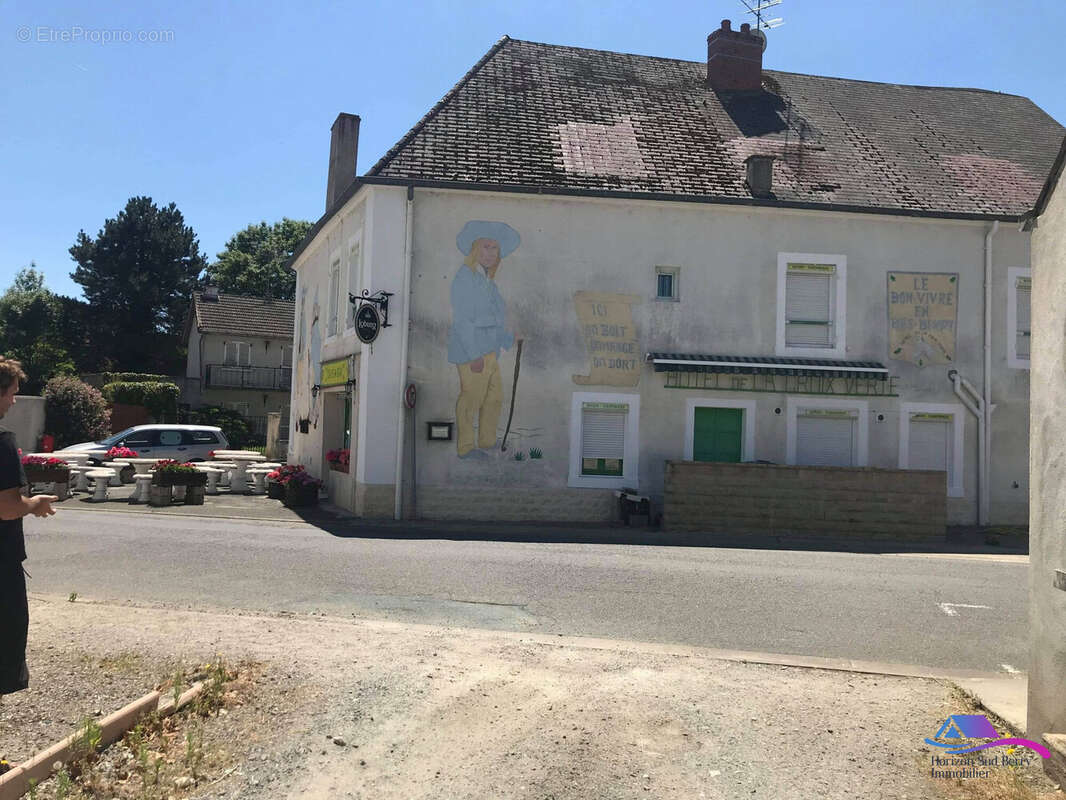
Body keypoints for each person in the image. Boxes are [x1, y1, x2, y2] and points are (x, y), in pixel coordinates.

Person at [0, 358, 56, 698]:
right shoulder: (2, 443)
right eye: (10, 394)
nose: (13, 401)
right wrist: (35, 504)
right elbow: (7, 507)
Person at [448, 221, 522, 459]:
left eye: (495, 249)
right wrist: (474, 355)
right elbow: (463, 321)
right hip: (473, 352)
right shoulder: (465, 278)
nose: (490, 253)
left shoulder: (488, 282)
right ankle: (466, 447)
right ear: (475, 250)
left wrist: (510, 339)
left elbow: (493, 322)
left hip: (489, 350)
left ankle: (487, 442)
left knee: (494, 398)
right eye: (486, 247)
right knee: (471, 398)